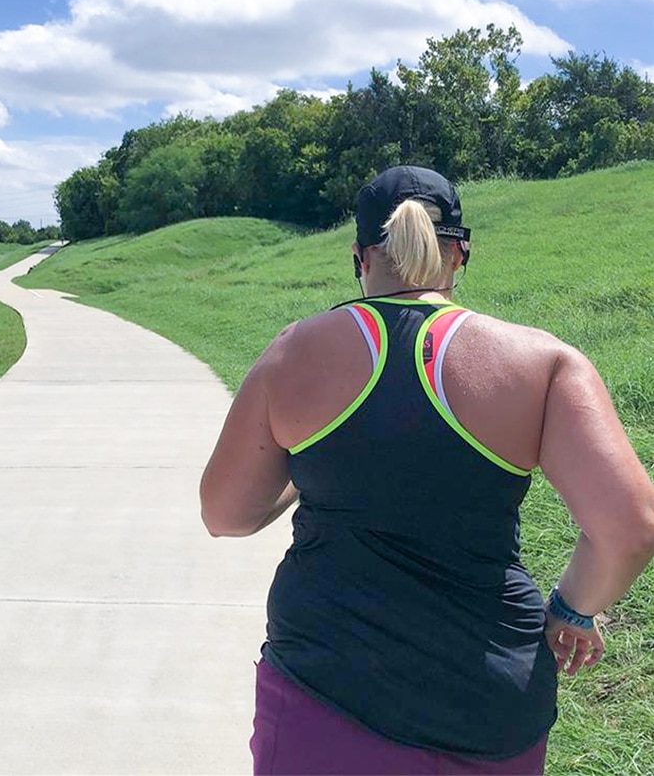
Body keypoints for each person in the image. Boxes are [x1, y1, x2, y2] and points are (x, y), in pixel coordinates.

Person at [200, 166, 654, 775]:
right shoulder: (543, 362)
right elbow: (629, 530)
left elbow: (225, 514)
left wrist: (305, 467)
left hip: (325, 686)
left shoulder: (293, 353)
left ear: (360, 258)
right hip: (489, 704)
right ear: (459, 254)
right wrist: (573, 609)